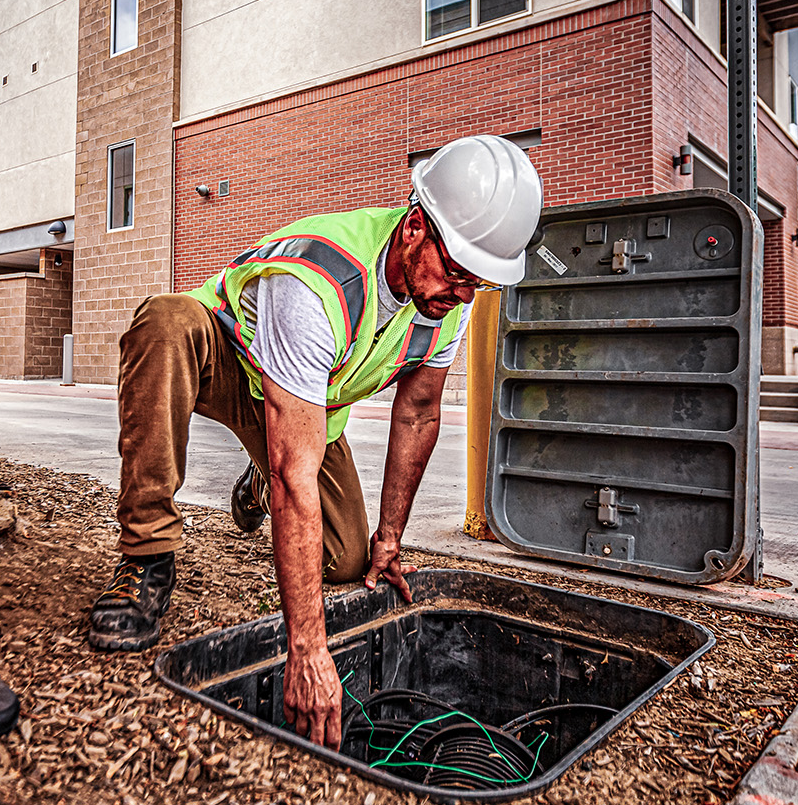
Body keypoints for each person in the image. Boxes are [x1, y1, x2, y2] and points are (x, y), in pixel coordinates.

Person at [87, 134, 544, 748]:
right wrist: (307, 648)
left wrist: (388, 538)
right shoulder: (321, 280)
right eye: (460, 273)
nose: (463, 295)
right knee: (164, 328)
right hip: (227, 362)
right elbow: (294, 477)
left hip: (303, 409)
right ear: (414, 229)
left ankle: (256, 478)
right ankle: (147, 557)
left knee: (347, 562)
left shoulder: (446, 301)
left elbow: (418, 412)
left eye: (479, 284)